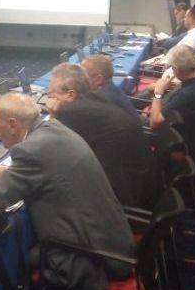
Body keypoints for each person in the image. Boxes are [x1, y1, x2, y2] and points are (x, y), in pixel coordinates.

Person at [0, 92, 134, 290]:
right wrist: (1, 171)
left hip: (93, 259)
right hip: (114, 241)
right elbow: (47, 170)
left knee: (22, 262)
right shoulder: (55, 129)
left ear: (13, 125)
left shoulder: (30, 151)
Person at [45, 63, 160, 210]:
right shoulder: (96, 98)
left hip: (128, 197)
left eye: (51, 93)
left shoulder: (71, 112)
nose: (49, 97)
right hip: (144, 181)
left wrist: (53, 115)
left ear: (70, 94)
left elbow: (49, 149)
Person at [149, 45, 195, 132]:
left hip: (177, 133)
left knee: (135, 118)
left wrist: (158, 93)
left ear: (176, 69)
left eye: (172, 68)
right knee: (149, 91)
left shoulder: (185, 95)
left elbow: (154, 123)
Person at [81, 54, 139, 120]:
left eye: (83, 75)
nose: (80, 78)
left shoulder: (100, 100)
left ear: (98, 79)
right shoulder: (110, 87)